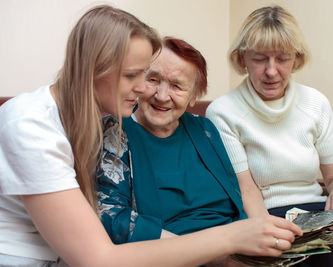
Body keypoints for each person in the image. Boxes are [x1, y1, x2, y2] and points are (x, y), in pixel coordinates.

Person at [0, 5, 302, 267]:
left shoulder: (98, 118)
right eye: (135, 75)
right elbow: (98, 258)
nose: (147, 89)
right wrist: (230, 239)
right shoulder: (29, 125)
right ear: (93, 68)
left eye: (146, 74)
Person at [206, 5, 333, 267]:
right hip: (268, 216)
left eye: (282, 58)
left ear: (296, 58)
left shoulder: (315, 103)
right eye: (260, 58)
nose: (272, 71)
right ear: (242, 59)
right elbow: (246, 189)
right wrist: (269, 234)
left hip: (320, 212)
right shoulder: (223, 112)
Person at [96, 36, 302, 266]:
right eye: (153, 79)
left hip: (243, 253)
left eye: (176, 86)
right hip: (180, 257)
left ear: (194, 95)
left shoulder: (204, 128)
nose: (162, 96)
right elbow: (114, 218)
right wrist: (214, 253)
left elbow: (239, 197)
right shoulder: (115, 133)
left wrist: (264, 237)